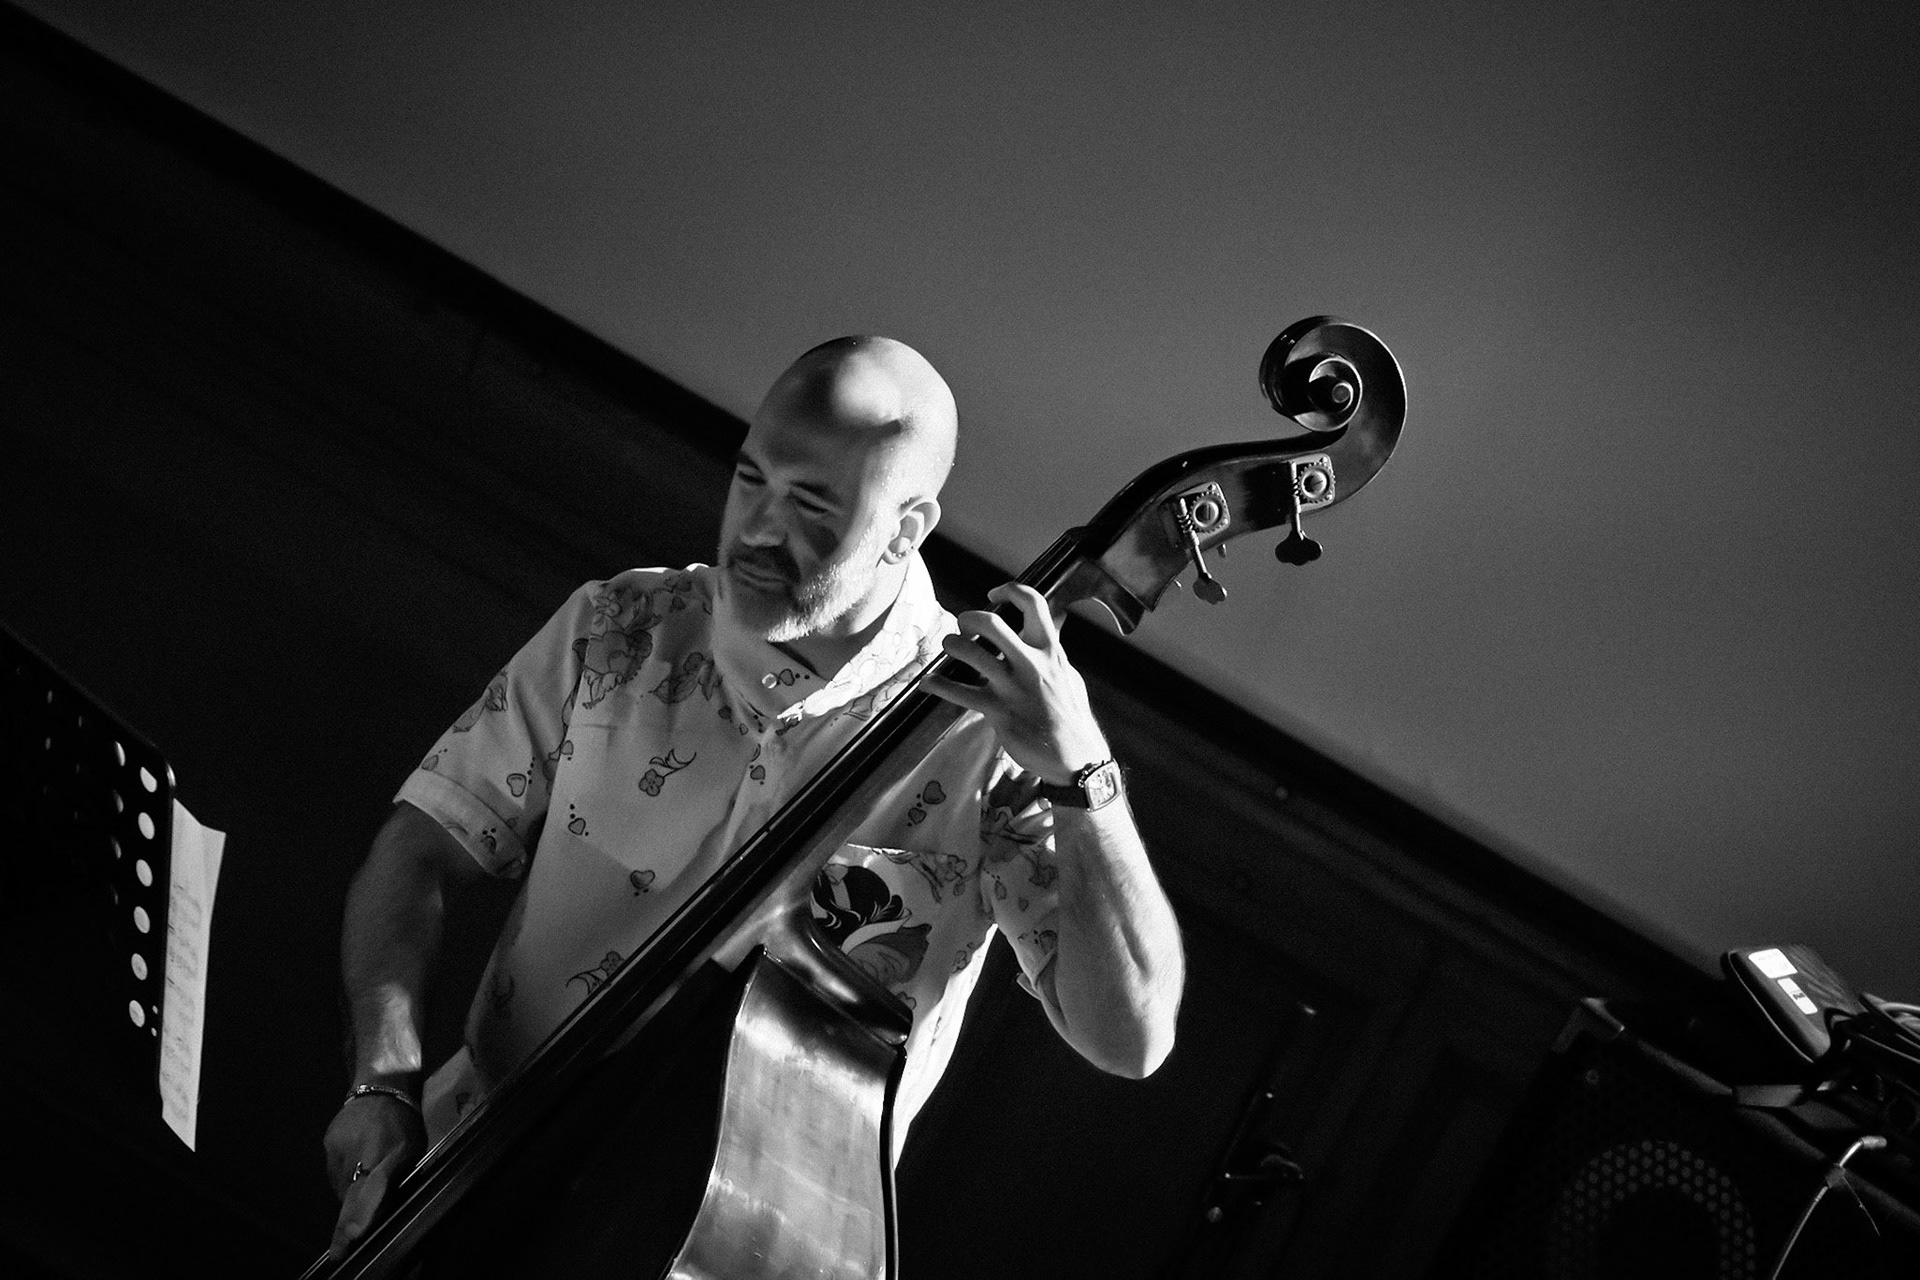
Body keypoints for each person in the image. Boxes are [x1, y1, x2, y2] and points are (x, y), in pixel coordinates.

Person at [322, 336, 1185, 1258]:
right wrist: (383, 1082)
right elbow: (418, 851)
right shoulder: (624, 627)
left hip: (754, 1251)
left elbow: (1128, 1036)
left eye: (813, 502)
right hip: (481, 1165)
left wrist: (1082, 772)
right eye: (750, 480)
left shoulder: (985, 742)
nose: (759, 532)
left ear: (908, 526)